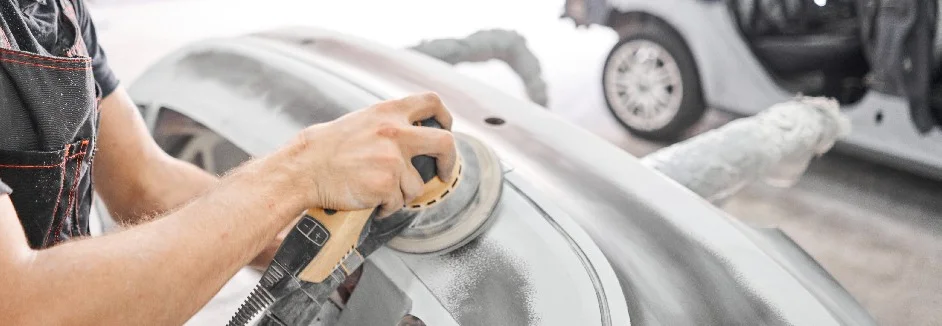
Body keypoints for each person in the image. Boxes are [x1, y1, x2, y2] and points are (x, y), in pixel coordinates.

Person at [0, 0, 457, 324]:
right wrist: (301, 171)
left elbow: (145, 182)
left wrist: (320, 251)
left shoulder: (52, 11)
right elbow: (25, 308)